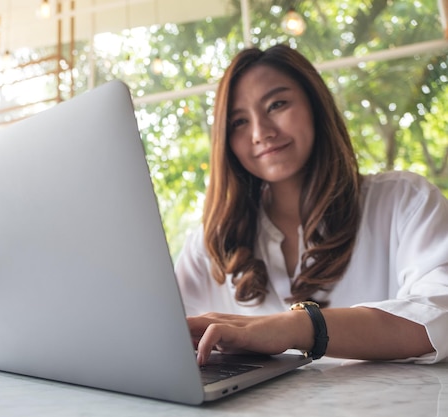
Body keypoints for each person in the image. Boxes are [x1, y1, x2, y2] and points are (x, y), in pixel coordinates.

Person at [175, 44, 448, 366]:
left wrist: (298, 327)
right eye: (239, 122)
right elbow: (159, 337)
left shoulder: (404, 200)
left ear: (316, 106)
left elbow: (440, 314)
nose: (261, 132)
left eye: (277, 104)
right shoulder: (210, 245)